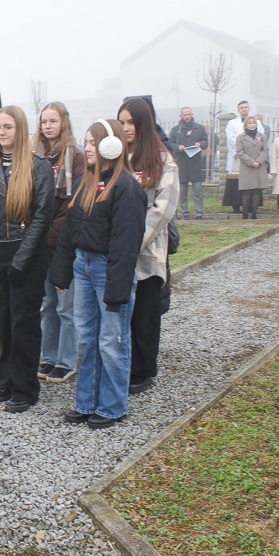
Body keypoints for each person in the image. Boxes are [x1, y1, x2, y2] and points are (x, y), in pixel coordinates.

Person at [51, 119, 147, 429]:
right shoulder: (86, 183)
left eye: (93, 143)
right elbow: (71, 230)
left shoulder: (127, 188)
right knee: (87, 339)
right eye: (87, 142)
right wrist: (61, 272)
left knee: (111, 340)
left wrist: (117, 290)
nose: (87, 148)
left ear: (111, 145)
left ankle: (112, 405)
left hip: (109, 271)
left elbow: (125, 243)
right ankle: (87, 401)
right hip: (84, 266)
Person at [0, 105, 53, 413]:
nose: (1, 132)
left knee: (24, 326)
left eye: (8, 126)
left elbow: (42, 216)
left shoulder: (37, 166)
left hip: (27, 256)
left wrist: (21, 261)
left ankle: (25, 387)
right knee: (3, 324)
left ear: (20, 129)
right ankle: (5, 378)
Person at [118, 98, 179, 395]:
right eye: (122, 122)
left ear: (143, 124)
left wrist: (132, 241)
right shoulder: (116, 157)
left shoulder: (163, 160)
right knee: (123, 315)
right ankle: (124, 365)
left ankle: (144, 370)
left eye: (131, 122)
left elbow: (162, 209)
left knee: (145, 315)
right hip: (117, 251)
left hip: (148, 252)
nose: (126, 128)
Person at [32, 102, 84, 384]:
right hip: (39, 240)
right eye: (43, 121)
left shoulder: (75, 156)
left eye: (52, 121)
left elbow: (73, 202)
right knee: (46, 303)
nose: (48, 126)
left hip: (63, 241)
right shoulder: (35, 156)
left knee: (66, 305)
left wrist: (49, 230)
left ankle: (66, 360)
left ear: (63, 122)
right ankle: (49, 357)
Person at [168, 107, 207, 220]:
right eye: (185, 115)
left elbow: (205, 141)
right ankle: (185, 213)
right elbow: (170, 143)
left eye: (189, 114)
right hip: (182, 163)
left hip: (195, 163)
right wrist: (178, 147)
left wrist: (200, 144)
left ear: (192, 114)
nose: (187, 116)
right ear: (181, 116)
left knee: (197, 190)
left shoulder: (199, 128)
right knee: (183, 191)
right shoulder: (176, 130)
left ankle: (198, 213)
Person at [224, 101, 264, 213]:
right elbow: (231, 139)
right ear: (238, 110)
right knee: (235, 182)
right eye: (242, 107)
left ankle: (251, 206)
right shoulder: (232, 123)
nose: (244, 109)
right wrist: (241, 151)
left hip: (252, 157)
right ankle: (235, 205)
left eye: (246, 107)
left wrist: (251, 153)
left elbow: (260, 137)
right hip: (237, 156)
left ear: (249, 108)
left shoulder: (257, 123)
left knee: (252, 181)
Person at [236, 116, 269, 219]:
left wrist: (259, 161)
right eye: (249, 123)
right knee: (247, 191)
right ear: (246, 125)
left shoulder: (261, 136)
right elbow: (240, 152)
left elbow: (265, 150)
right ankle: (245, 213)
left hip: (259, 166)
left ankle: (254, 213)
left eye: (253, 123)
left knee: (257, 190)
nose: (252, 125)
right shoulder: (241, 137)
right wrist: (251, 162)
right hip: (247, 167)